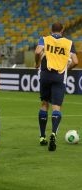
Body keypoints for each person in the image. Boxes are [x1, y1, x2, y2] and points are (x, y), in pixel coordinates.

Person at [35, 22, 78, 151]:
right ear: (63, 30)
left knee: (44, 104)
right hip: (59, 76)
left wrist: (37, 63)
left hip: (45, 74)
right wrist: (68, 68)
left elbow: (38, 52)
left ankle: (42, 136)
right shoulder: (69, 43)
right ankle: (53, 133)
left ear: (51, 30)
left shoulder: (45, 39)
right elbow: (75, 61)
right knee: (56, 107)